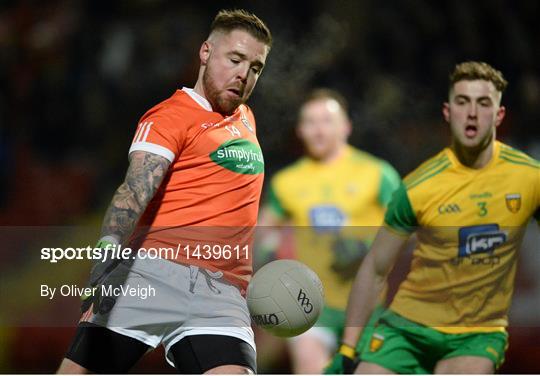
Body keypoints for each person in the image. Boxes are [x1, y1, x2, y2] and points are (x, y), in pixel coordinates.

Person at [57, 9, 272, 374]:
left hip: (221, 294)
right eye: (234, 59)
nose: (243, 74)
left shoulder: (245, 118)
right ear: (205, 52)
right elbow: (135, 190)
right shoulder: (168, 117)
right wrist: (106, 256)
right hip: (151, 275)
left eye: (255, 67)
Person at [332, 61, 540, 374]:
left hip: (475, 335)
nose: (471, 113)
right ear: (448, 113)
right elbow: (375, 267)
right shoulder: (418, 185)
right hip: (405, 328)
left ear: (499, 115)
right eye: (462, 102)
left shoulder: (529, 178)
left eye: (483, 103)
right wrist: (348, 349)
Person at [258, 89, 400, 373]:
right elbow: (262, 231)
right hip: (309, 306)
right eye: (310, 121)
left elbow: (408, 228)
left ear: (346, 126)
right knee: (310, 365)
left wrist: (370, 249)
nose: (318, 129)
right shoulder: (287, 181)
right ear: (299, 130)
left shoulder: (377, 173)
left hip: (368, 309)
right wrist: (267, 255)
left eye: (327, 120)